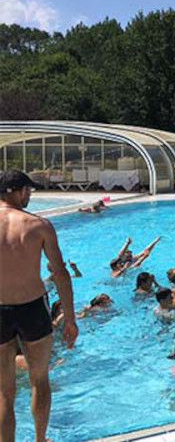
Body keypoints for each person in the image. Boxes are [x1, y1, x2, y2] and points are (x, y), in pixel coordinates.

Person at [0, 170, 78, 442]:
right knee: (39, 379)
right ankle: (39, 439)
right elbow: (60, 273)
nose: (30, 195)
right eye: (28, 191)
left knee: (3, 392)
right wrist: (69, 318)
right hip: (32, 307)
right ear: (15, 190)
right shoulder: (39, 225)